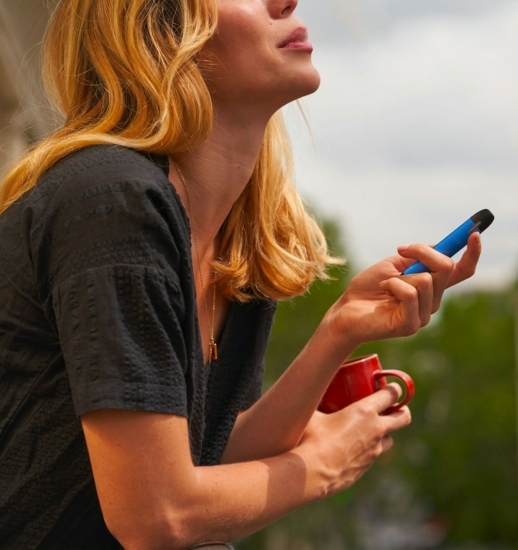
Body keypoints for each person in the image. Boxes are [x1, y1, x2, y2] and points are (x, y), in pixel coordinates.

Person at [0, 0, 482, 548]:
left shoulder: (239, 240)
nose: (287, 1)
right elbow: (156, 514)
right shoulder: (113, 203)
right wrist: (320, 464)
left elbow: (209, 459)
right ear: (157, 28)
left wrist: (339, 330)